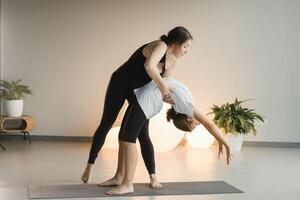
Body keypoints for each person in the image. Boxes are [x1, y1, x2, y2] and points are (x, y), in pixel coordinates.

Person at [81, 26, 193, 188]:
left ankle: (151, 176)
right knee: (107, 123)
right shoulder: (160, 45)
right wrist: (163, 87)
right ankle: (90, 164)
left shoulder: (173, 62)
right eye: (185, 46)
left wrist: (168, 97)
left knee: (142, 132)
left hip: (138, 92)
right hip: (120, 83)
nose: (186, 51)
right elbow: (149, 66)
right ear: (175, 43)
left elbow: (163, 86)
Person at [106, 78, 233, 195]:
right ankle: (120, 177)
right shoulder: (187, 107)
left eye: (196, 125)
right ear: (189, 119)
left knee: (128, 139)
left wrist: (222, 141)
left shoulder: (186, 107)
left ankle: (127, 184)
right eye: (195, 125)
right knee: (127, 137)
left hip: (147, 100)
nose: (199, 123)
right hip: (146, 97)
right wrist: (224, 143)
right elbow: (209, 124)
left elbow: (209, 124)